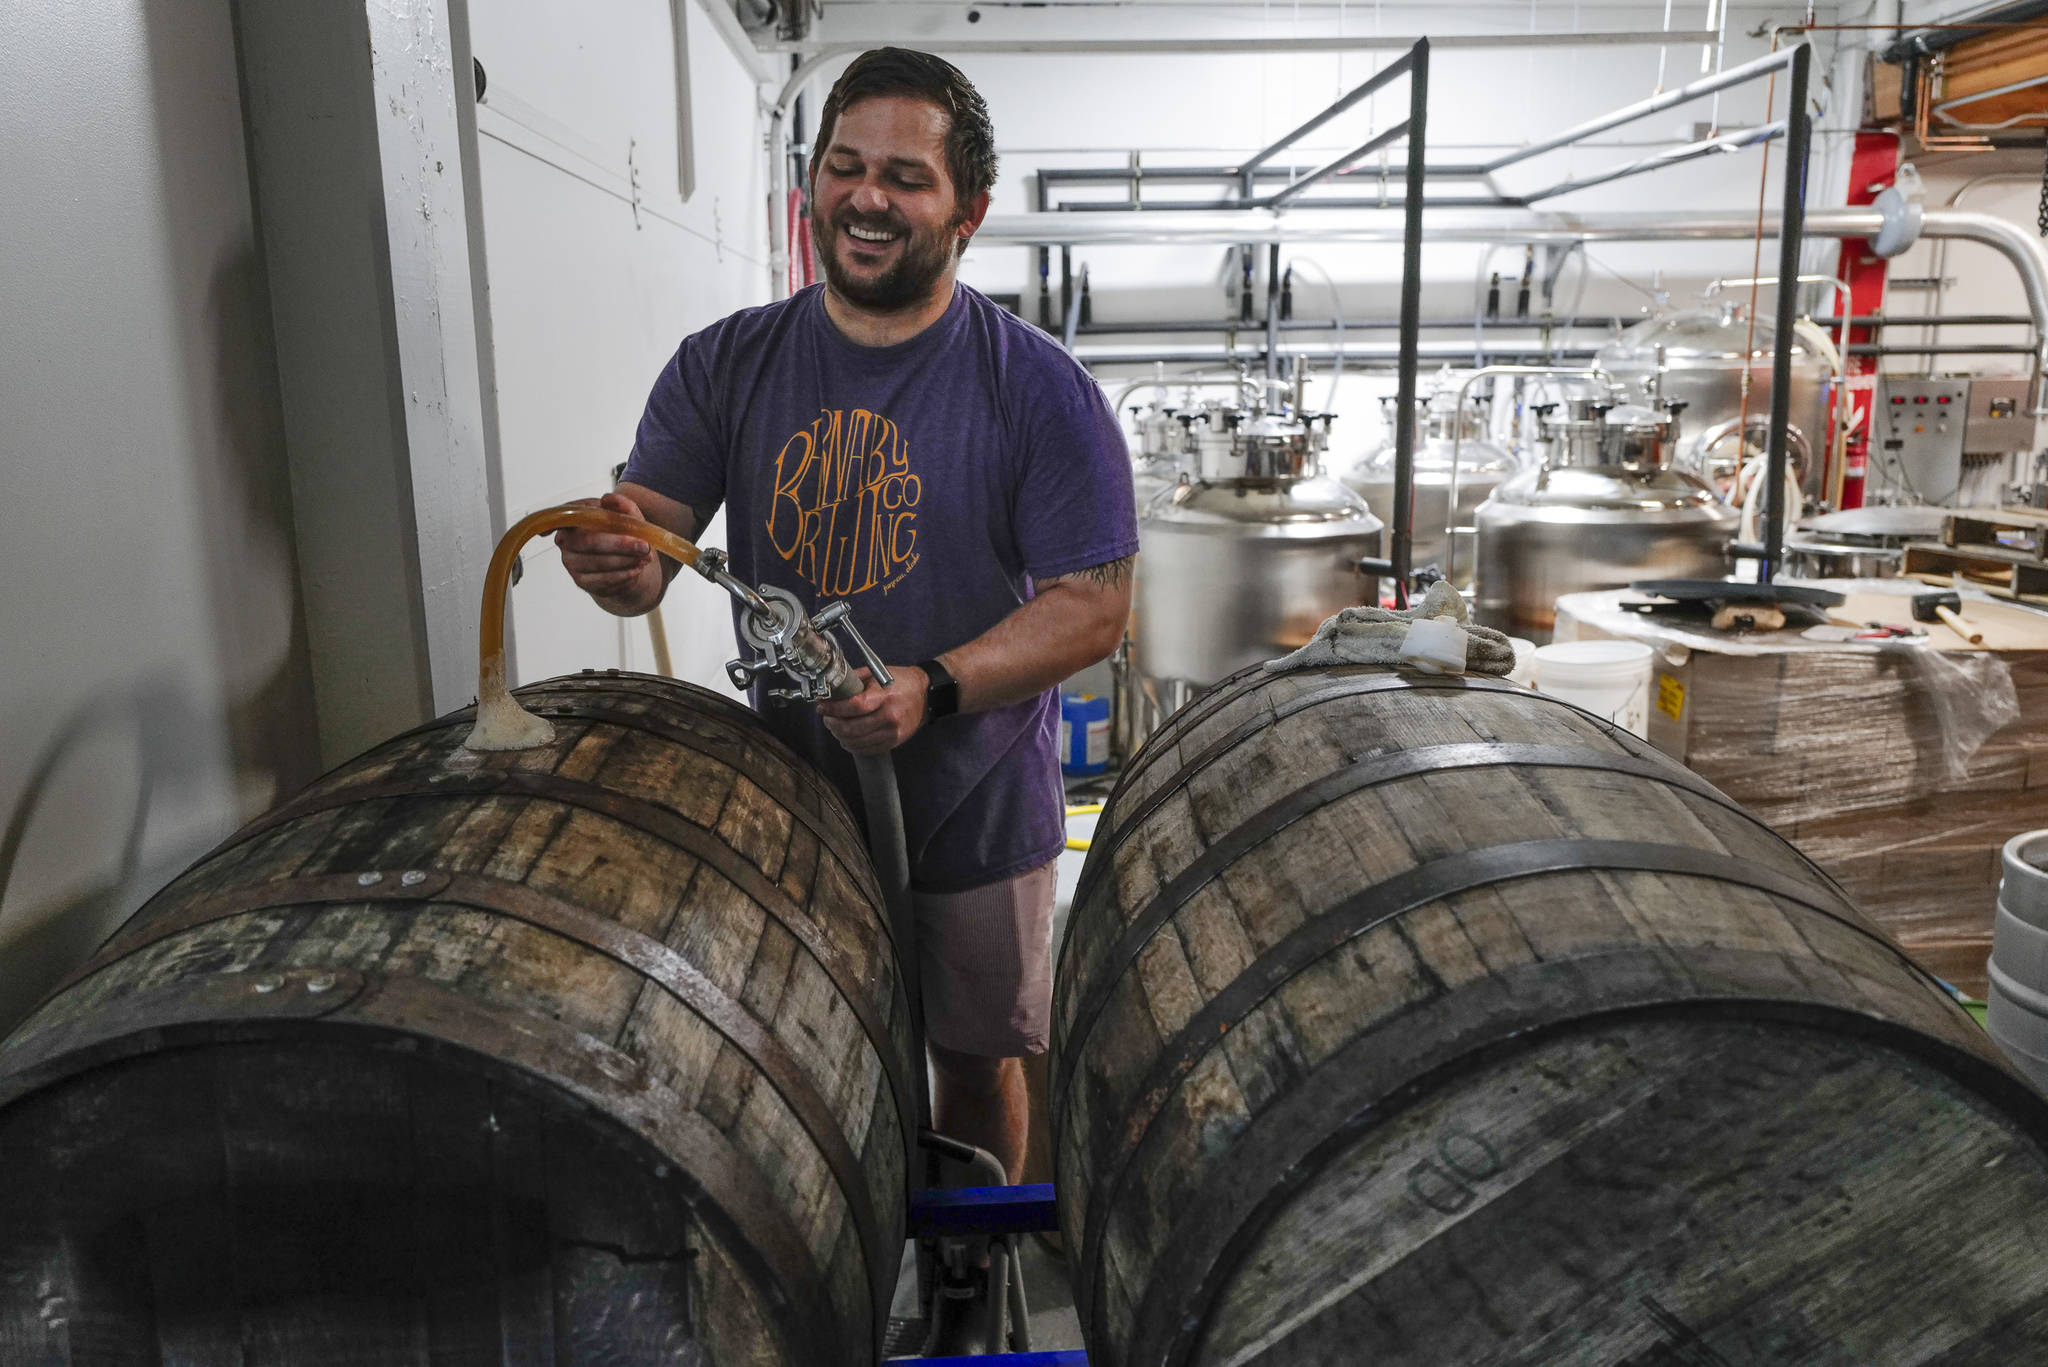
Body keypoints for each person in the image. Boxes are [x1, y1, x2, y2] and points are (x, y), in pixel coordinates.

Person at [555, 48, 1137, 1195]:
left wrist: (936, 681)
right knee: (801, 1055)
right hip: (785, 803)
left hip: (971, 798)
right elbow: (651, 547)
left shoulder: (1037, 388)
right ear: (811, 184)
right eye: (845, 166)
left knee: (970, 1061)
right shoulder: (725, 363)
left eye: (906, 178)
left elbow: (1093, 610)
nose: (868, 197)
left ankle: (969, 1290)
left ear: (966, 211)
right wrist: (617, 553)